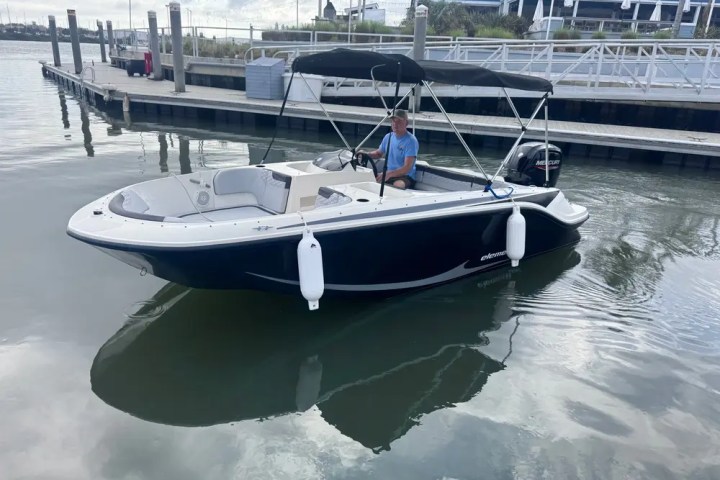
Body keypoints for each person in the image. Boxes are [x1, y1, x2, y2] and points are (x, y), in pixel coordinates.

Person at [358, 109, 419, 190]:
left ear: (406, 123)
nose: (395, 124)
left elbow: (406, 168)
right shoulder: (388, 137)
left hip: (405, 177)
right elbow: (379, 154)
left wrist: (388, 174)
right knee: (365, 180)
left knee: (397, 185)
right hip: (388, 174)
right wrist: (366, 154)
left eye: (399, 122)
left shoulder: (411, 141)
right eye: (393, 121)